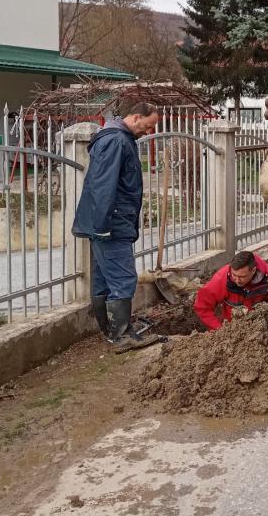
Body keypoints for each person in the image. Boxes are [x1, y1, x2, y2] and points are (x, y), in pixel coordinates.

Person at [73, 102, 161, 353]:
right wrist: (102, 225)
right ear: (136, 117)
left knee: (103, 279)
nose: (149, 131)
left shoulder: (119, 139)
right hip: (111, 223)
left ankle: (111, 333)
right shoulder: (116, 142)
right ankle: (121, 336)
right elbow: (103, 185)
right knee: (123, 278)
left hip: (108, 222)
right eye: (148, 125)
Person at [193, 250, 268, 330]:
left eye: (242, 276)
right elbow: (202, 306)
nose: (237, 280)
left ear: (253, 271)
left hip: (261, 329)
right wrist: (220, 330)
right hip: (232, 329)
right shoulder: (222, 278)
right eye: (234, 275)